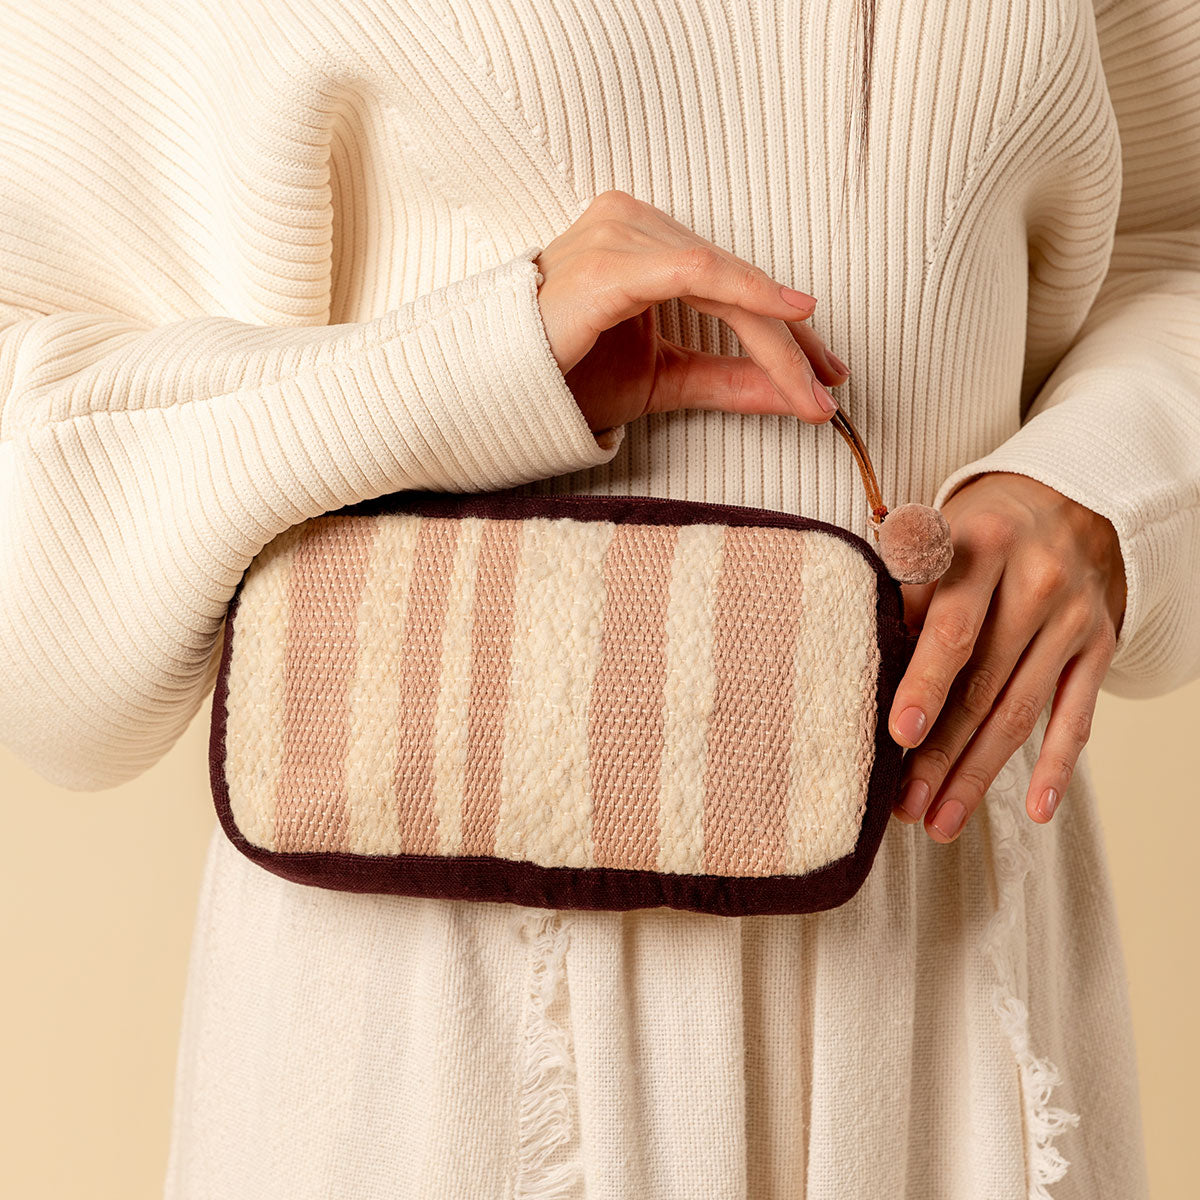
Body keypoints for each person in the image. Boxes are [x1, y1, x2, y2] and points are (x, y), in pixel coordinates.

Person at [1, 0, 1196, 1195]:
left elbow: (1173, 243)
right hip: (440, 992)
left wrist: (1101, 484)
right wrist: (468, 361)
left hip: (942, 930)